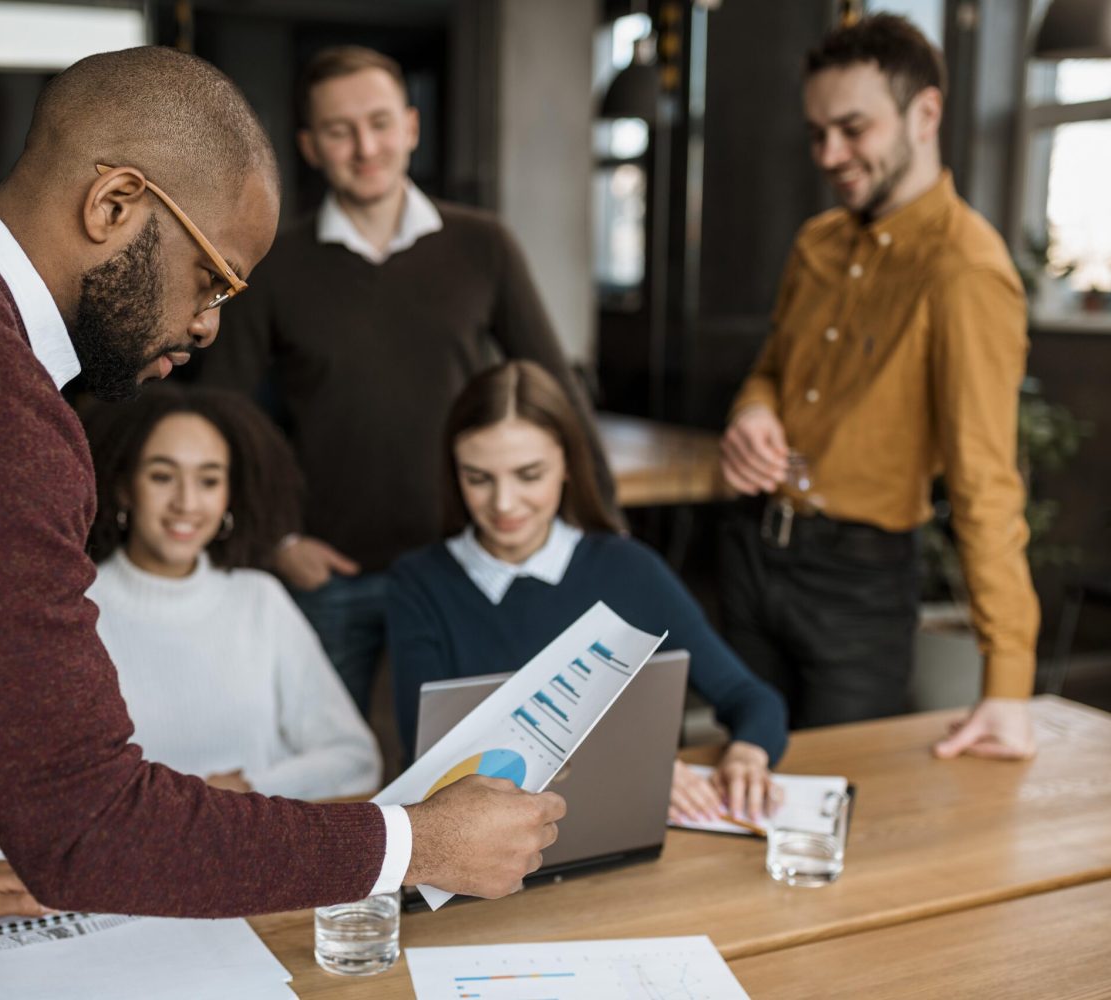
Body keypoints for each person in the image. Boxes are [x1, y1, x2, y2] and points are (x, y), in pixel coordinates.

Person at [0, 47, 563, 998]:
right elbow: (86, 826)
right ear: (114, 204)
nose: (208, 327)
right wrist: (416, 842)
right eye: (212, 280)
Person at [196, 45, 612, 718]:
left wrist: (606, 538)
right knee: (333, 773)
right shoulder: (273, 264)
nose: (366, 147)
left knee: (475, 758)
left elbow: (555, 393)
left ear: (412, 127)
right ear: (308, 145)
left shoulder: (482, 245)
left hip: (466, 561)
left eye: (381, 122)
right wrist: (276, 541)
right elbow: (221, 417)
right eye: (340, 130)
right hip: (330, 571)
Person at [717, 15, 1038, 759]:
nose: (829, 154)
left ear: (925, 114)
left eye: (853, 129)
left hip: (856, 585)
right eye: (817, 132)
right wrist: (754, 411)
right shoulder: (815, 243)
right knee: (734, 784)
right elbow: (770, 367)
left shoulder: (967, 272)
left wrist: (1008, 683)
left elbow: (986, 481)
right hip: (754, 549)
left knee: (835, 804)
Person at [0, 384, 381, 842]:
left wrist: (246, 791)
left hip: (252, 858)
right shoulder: (66, 609)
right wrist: (173, 808)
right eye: (162, 476)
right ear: (123, 487)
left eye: (209, 480)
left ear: (229, 496)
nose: (186, 503)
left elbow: (356, 761)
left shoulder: (260, 600)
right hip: (117, 879)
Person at [388, 361, 789, 824]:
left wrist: (747, 756)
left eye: (529, 474)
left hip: (617, 830)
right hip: (478, 845)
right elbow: (431, 753)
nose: (503, 503)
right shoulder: (418, 583)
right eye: (478, 478)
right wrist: (631, 762)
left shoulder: (630, 569)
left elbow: (751, 697)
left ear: (567, 466)